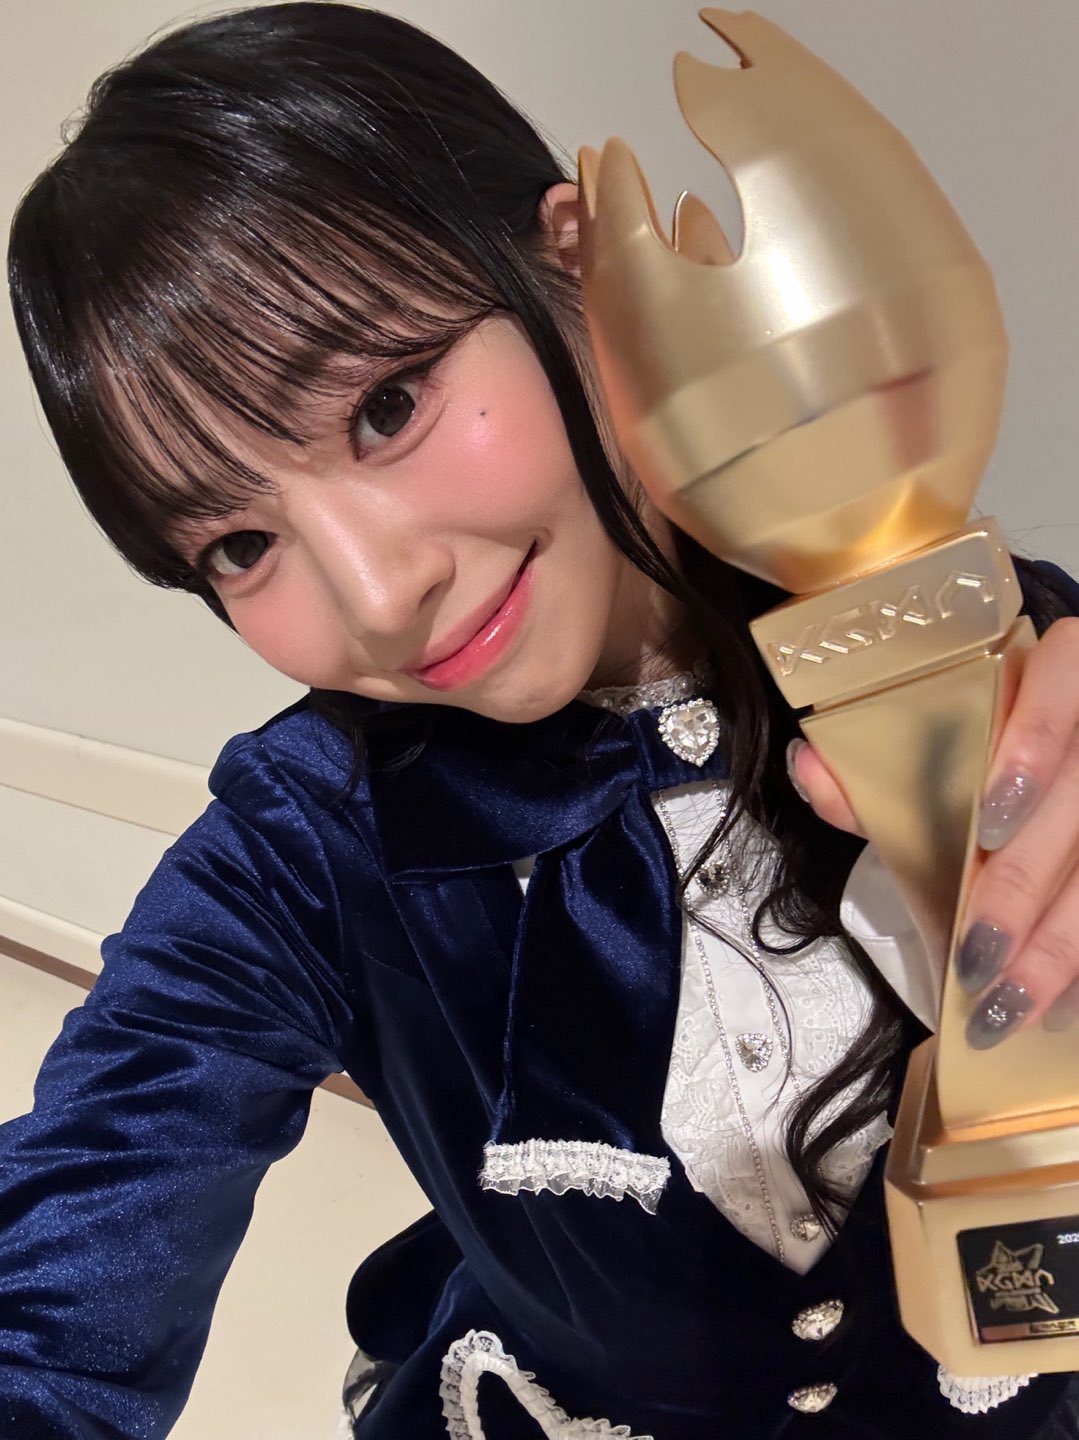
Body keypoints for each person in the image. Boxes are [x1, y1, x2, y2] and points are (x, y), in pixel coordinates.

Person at [3, 5, 1079, 1437]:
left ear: (574, 258)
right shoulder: (308, 842)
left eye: (387, 405)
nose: (380, 597)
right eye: (238, 547)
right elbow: (67, 1256)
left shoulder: (977, 645)